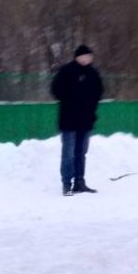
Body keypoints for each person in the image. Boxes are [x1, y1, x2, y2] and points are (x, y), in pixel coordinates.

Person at [51, 44, 105, 196]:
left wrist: (91, 108)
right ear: (78, 57)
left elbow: (99, 92)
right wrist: (71, 101)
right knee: (68, 153)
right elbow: (56, 90)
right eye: (85, 56)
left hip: (86, 120)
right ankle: (67, 184)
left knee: (81, 152)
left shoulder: (93, 73)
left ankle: (79, 182)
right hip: (69, 120)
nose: (88, 58)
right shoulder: (67, 71)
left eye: (90, 56)